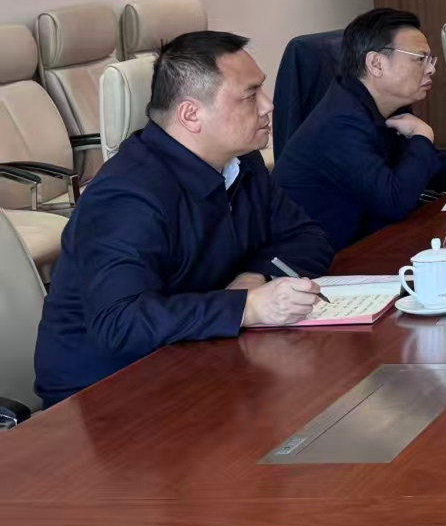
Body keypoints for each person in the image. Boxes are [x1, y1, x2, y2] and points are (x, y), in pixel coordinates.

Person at [33, 32, 331, 406]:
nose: (268, 106)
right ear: (191, 115)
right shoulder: (126, 195)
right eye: (250, 95)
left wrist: (253, 277)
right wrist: (248, 307)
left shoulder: (241, 162)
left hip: (195, 355)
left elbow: (308, 237)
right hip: (105, 395)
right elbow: (119, 322)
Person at [276, 8, 446, 251]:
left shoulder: (382, 105)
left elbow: (434, 166)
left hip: (372, 242)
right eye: (420, 58)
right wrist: (422, 137)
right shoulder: (341, 122)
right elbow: (394, 200)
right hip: (325, 265)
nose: (431, 69)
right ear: (376, 63)